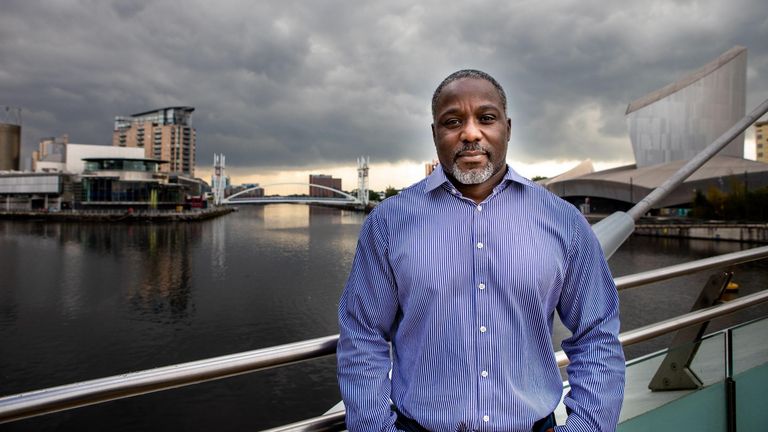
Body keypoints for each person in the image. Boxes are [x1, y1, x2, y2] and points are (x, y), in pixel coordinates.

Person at [337, 69, 625, 432]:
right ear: (435, 133)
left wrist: (587, 427)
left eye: (486, 118)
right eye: (453, 121)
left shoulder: (563, 221)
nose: (470, 133)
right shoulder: (388, 223)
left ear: (507, 127)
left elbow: (597, 334)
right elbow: (362, 335)